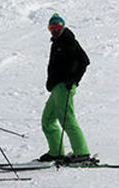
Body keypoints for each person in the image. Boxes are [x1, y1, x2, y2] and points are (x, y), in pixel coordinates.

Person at [39, 13, 95, 165]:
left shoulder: (69, 41)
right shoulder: (56, 42)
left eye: (57, 26)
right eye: (52, 27)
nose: (55, 29)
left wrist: (74, 80)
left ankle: (82, 152)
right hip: (56, 87)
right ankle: (56, 152)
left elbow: (84, 61)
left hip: (65, 86)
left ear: (63, 26)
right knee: (47, 120)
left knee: (67, 119)